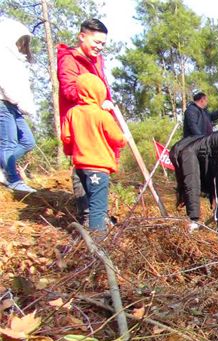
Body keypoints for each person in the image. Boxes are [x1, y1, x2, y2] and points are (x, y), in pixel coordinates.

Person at [57, 18, 113, 223]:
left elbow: (103, 86)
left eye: (103, 44)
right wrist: (95, 103)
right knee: (83, 166)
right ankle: (88, 216)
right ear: (82, 36)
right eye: (96, 42)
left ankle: (98, 213)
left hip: (98, 119)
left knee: (99, 167)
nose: (99, 47)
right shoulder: (69, 59)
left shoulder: (96, 60)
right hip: (80, 123)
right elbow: (69, 89)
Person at [61, 73, 126, 231]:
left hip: (79, 168)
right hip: (98, 169)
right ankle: (98, 246)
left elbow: (67, 139)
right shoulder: (102, 115)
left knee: (87, 206)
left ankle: (86, 237)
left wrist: (75, 152)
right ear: (99, 93)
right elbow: (119, 139)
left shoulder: (72, 113)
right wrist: (124, 137)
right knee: (98, 208)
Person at [0, 18, 37, 193]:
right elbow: (6, 83)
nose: (23, 44)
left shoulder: (15, 58)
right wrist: (17, 100)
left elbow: (21, 85)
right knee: (8, 143)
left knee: (28, 141)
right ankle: (13, 180)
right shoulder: (3, 55)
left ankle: (4, 167)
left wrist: (27, 106)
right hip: (3, 102)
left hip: (13, 106)